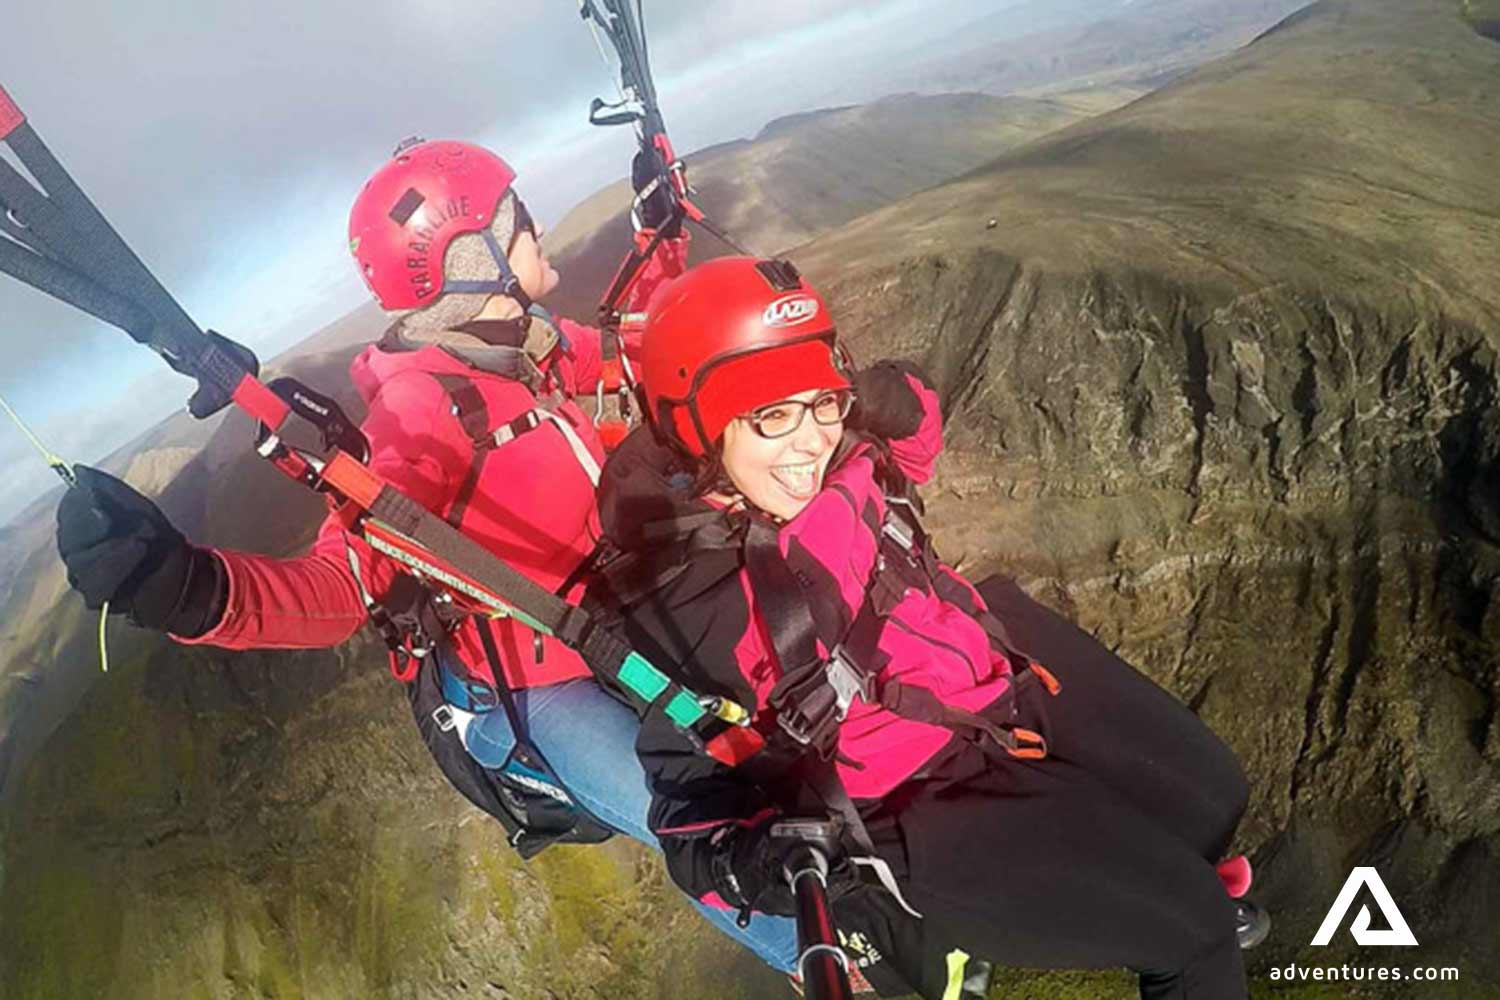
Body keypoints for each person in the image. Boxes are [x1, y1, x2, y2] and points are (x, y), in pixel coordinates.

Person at [53, 140, 797, 974]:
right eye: (517, 222)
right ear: (467, 257)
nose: (538, 228)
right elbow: (346, 581)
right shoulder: (420, 409)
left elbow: (640, 347)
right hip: (532, 689)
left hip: (609, 622)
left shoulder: (524, 345)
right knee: (710, 824)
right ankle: (841, 953)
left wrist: (660, 242)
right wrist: (184, 590)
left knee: (786, 717)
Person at [585, 255, 1269, 999]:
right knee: (1194, 937)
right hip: (914, 798)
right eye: (772, 416)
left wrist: (895, 395)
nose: (809, 441)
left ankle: (1166, 877)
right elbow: (689, 819)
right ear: (699, 429)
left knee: (1215, 794)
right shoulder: (683, 600)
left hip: (990, 667)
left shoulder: (837, 451)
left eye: (823, 402)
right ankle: (1177, 923)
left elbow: (910, 443)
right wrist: (757, 863)